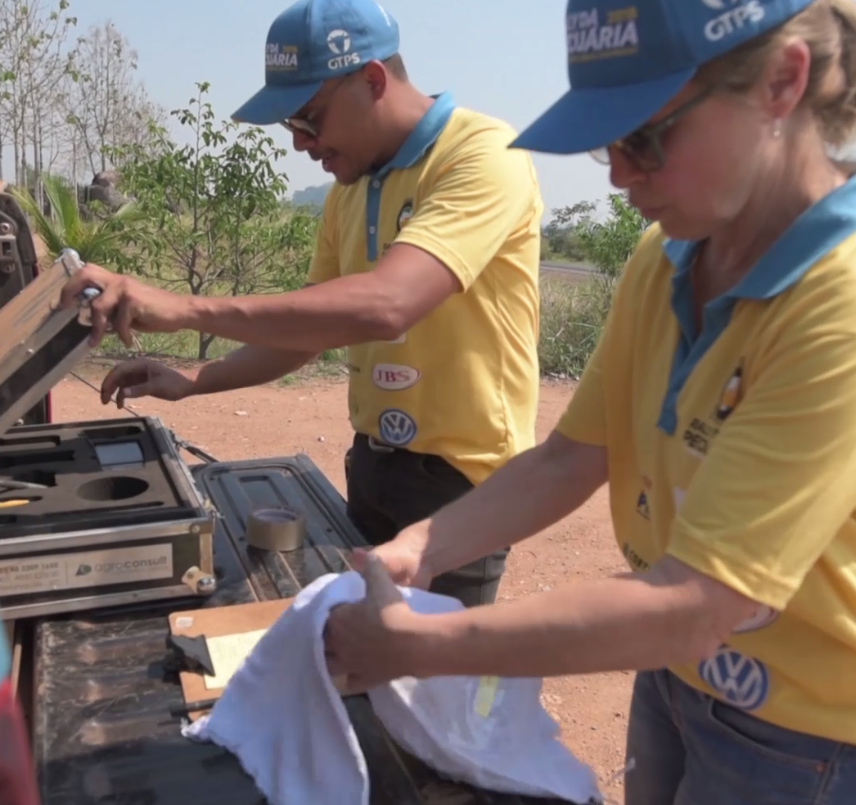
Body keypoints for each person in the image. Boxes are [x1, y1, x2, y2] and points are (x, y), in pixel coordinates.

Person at [321, 0, 856, 803]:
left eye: (643, 137)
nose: (617, 174)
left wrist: (422, 646)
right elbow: (576, 454)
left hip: (814, 719)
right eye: (607, 140)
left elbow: (697, 601)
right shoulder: (669, 255)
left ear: (782, 83)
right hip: (681, 666)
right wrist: (425, 544)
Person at [60, 0, 546, 607]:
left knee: (430, 687)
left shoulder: (481, 155)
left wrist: (183, 307)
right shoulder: (350, 189)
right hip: (373, 462)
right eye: (291, 126)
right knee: (360, 665)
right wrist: (191, 378)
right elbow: (313, 327)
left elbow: (387, 304)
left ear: (372, 80)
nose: (301, 144)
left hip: (462, 486)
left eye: (310, 118)